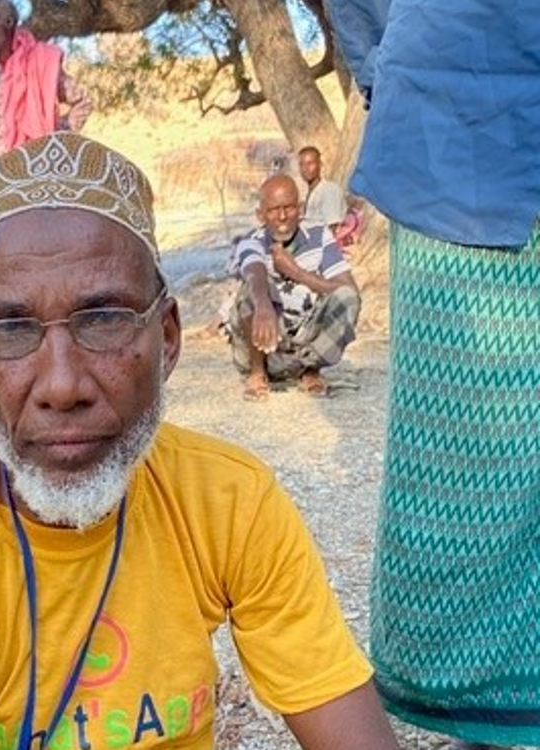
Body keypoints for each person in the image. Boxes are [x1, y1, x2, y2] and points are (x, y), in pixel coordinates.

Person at [0, 132, 401, 750]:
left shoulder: (230, 501)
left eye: (104, 319)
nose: (61, 385)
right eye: (8, 328)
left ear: (167, 337)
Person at [326, 1, 540, 748]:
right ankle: (498, 723)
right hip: (465, 126)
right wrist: (396, 83)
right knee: (472, 475)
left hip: (451, 114)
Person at [227, 173, 360, 402]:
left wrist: (297, 272)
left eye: (288, 208)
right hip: (265, 345)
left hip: (304, 345)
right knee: (252, 290)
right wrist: (263, 305)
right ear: (261, 215)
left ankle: (310, 370)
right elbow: (253, 272)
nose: (281, 217)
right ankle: (258, 374)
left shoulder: (319, 237)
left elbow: (348, 290)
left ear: (300, 209)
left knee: (348, 298)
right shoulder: (251, 241)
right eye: (273, 210)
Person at [0, 0, 92, 184]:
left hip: (33, 173)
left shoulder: (41, 61)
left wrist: (56, 132)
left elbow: (84, 102)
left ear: (8, 22)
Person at [298, 145, 346, 235]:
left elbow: (332, 229)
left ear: (320, 164)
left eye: (310, 164)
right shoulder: (310, 193)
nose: (305, 169)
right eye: (302, 164)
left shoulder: (329, 190)